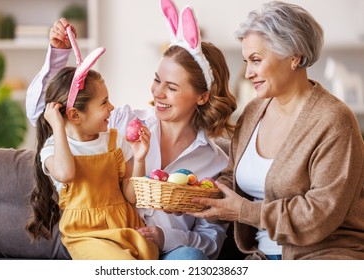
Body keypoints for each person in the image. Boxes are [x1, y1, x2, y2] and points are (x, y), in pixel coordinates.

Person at [25, 1, 237, 260]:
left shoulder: (216, 162)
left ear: (202, 97)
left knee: (190, 258)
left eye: (171, 87)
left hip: (170, 253)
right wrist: (59, 55)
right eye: (157, 80)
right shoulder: (121, 122)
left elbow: (211, 239)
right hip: (110, 242)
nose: (157, 93)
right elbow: (44, 115)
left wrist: (165, 237)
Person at [189, 1, 364, 260]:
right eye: (247, 61)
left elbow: (320, 213)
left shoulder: (334, 120)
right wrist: (193, 196)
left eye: (256, 60)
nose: (248, 73)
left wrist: (245, 212)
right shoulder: (253, 112)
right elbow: (231, 178)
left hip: (323, 256)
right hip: (260, 257)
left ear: (295, 56)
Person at [26, 28, 158, 260]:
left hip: (124, 225)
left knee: (149, 256)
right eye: (104, 102)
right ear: (76, 115)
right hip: (86, 234)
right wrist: (58, 127)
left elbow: (132, 196)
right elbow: (66, 174)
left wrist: (139, 159)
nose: (112, 108)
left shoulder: (116, 142)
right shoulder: (52, 149)